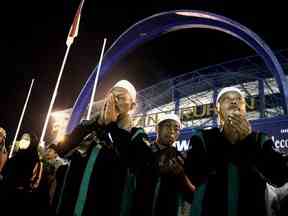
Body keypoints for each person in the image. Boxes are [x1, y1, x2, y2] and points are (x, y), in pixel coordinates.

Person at [185, 87, 288, 216]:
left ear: (245, 108)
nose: (234, 101)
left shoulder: (260, 139)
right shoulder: (202, 138)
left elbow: (279, 177)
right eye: (227, 99)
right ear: (218, 109)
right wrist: (229, 140)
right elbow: (194, 175)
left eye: (239, 99)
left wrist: (247, 139)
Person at [55, 80, 137, 216]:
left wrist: (111, 125)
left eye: (120, 97)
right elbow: (63, 150)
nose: (113, 101)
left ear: (132, 106)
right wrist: (95, 125)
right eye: (111, 96)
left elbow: (130, 160)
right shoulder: (88, 125)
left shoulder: (135, 134)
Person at [129, 113, 195, 216]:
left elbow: (191, 193)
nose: (172, 131)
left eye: (176, 128)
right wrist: (155, 170)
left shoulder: (181, 159)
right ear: (157, 129)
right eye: (168, 125)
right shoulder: (144, 151)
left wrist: (181, 174)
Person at [0, 132, 51, 215]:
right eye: (22, 138)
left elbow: (35, 184)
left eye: (27, 139)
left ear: (33, 142)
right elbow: (3, 175)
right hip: (5, 198)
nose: (23, 141)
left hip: (22, 203)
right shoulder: (13, 159)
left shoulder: (37, 163)